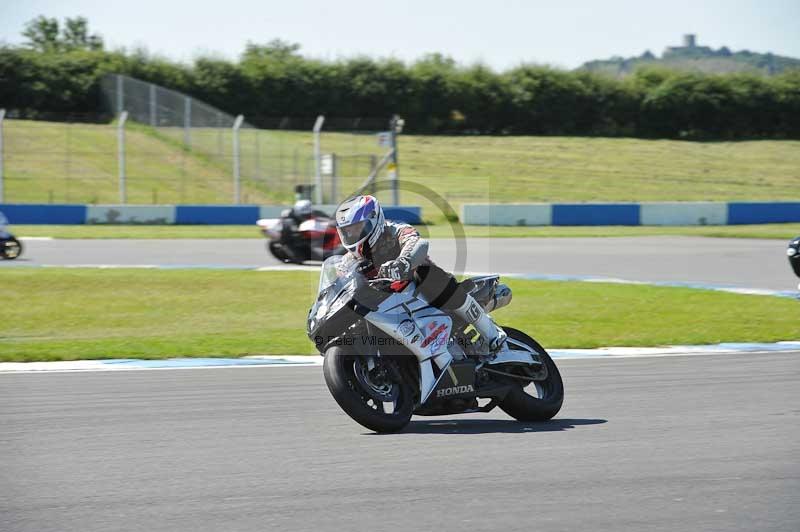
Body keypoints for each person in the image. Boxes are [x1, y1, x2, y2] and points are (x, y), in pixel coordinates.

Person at [335, 194, 507, 353]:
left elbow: (418, 243)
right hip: (388, 306)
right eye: (347, 231)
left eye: (357, 228)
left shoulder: (395, 229)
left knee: (424, 273)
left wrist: (403, 262)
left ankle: (491, 332)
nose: (352, 234)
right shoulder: (347, 262)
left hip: (424, 292)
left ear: (374, 220)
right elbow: (341, 286)